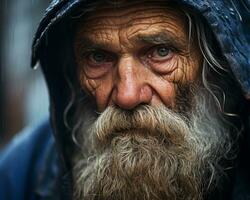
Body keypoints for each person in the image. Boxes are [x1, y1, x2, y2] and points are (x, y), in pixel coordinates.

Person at [1, 0, 250, 199]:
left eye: (160, 52)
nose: (127, 95)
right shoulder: (23, 174)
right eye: (98, 58)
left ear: (220, 68)